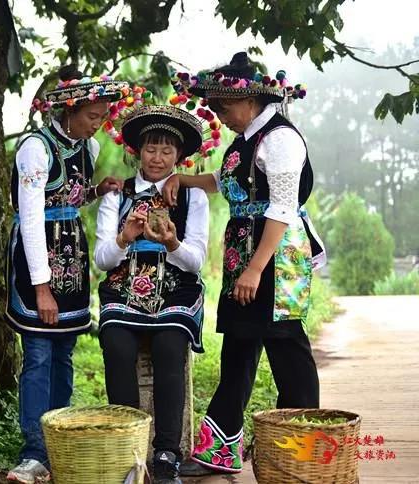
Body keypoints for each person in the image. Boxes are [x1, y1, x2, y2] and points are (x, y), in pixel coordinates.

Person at [163, 52, 326, 475]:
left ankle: (301, 445)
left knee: (286, 345)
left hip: (276, 256)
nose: (221, 117)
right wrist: (182, 179)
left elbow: (283, 208)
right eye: (216, 109)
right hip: (245, 252)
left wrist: (255, 268)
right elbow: (225, 182)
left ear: (250, 100)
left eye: (225, 108)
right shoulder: (245, 139)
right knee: (238, 344)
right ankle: (220, 451)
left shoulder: (280, 139)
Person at [5, 65, 127, 483]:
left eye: (103, 116)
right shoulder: (35, 148)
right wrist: (42, 288)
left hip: (72, 258)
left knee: (64, 351)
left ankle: (59, 441)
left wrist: (96, 192)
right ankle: (33, 451)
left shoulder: (87, 148)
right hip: (36, 258)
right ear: (69, 110)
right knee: (38, 352)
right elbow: (32, 216)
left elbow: (68, 200)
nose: (99, 124)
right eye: (92, 115)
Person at [96, 103, 210, 484]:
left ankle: (166, 454)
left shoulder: (193, 197)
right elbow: (102, 259)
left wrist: (173, 243)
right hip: (124, 290)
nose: (157, 158)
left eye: (166, 150)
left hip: (175, 291)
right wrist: (124, 238)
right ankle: (128, 449)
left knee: (169, 346)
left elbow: (195, 261)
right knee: (116, 344)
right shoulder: (117, 195)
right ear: (137, 151)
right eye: (150, 149)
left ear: (179, 155)